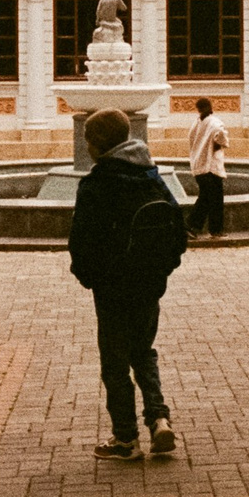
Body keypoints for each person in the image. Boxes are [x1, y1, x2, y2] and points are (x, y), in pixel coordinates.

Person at [69, 109, 182, 460]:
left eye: (88, 140)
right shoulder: (151, 176)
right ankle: (159, 419)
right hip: (149, 284)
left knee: (115, 363)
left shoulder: (97, 184)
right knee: (143, 352)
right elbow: (177, 228)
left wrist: (89, 277)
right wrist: (162, 269)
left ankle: (125, 440)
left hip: (113, 289)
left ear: (98, 144)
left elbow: (81, 241)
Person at [187, 96, 229, 239]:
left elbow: (191, 140)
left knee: (206, 197)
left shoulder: (196, 123)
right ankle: (205, 228)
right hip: (211, 166)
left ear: (198, 109)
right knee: (214, 199)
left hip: (198, 165)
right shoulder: (215, 122)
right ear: (211, 107)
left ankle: (196, 228)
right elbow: (221, 137)